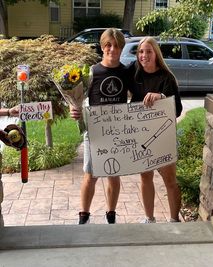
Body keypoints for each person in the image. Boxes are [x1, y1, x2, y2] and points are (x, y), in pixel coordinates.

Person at [70, 28, 128, 224]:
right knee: (91, 174)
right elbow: (78, 99)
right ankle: (84, 216)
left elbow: (136, 96)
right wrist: (74, 110)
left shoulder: (126, 72)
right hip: (94, 132)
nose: (112, 49)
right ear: (103, 47)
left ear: (121, 48)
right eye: (108, 45)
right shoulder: (93, 72)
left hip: (117, 131)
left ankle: (111, 215)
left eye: (117, 45)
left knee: (113, 174)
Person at [127, 36, 183, 223]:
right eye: (141, 52)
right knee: (145, 177)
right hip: (141, 135)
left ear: (156, 54)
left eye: (148, 51)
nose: (144, 55)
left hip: (163, 136)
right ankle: (149, 218)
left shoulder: (166, 77)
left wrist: (161, 97)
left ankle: (174, 220)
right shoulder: (134, 73)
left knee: (170, 179)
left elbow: (178, 109)